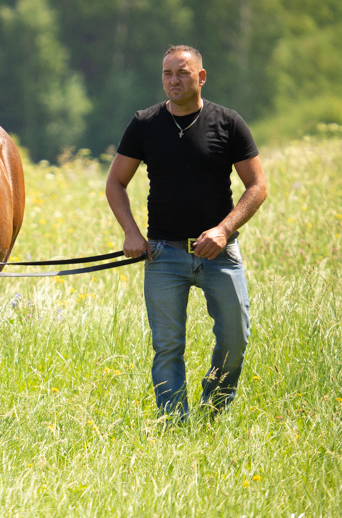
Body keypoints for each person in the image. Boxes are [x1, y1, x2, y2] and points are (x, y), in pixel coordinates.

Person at [105, 45, 267, 420]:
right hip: (163, 255)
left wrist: (224, 230)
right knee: (167, 347)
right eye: (167, 74)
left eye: (182, 72)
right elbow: (115, 183)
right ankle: (174, 425)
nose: (173, 80)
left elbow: (257, 186)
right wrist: (132, 234)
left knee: (235, 340)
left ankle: (212, 412)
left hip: (220, 255)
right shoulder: (144, 124)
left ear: (201, 77)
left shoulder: (228, 123)